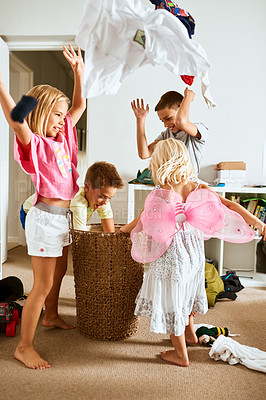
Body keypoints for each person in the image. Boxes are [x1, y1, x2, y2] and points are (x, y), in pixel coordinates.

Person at [121, 139, 265, 367]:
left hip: (172, 256)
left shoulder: (162, 191)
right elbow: (229, 205)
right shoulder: (198, 187)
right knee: (185, 295)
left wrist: (126, 229)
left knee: (172, 302)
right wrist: (258, 222)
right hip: (194, 255)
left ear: (159, 163)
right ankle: (190, 335)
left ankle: (180, 354)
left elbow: (143, 218)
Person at [0, 45, 86, 369]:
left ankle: (51, 316)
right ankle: (24, 346)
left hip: (62, 218)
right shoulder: (34, 141)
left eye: (64, 116)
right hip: (45, 219)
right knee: (43, 284)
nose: (64, 120)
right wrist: (2, 88)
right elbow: (16, 118)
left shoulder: (62, 137)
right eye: (58, 114)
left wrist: (79, 72)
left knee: (60, 270)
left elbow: (79, 104)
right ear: (41, 111)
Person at [21, 161, 124, 232]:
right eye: (102, 196)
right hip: (32, 211)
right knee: (49, 244)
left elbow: (109, 232)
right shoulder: (78, 203)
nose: (106, 202)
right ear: (87, 187)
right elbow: (80, 238)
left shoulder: (102, 200)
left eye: (109, 198)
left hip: (54, 215)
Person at [131, 88, 208, 173]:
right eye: (162, 121)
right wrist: (140, 119)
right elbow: (144, 154)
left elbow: (181, 122)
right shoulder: (166, 135)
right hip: (169, 184)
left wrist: (188, 97)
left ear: (181, 109)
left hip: (189, 184)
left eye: (168, 118)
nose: (165, 125)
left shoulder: (198, 130)